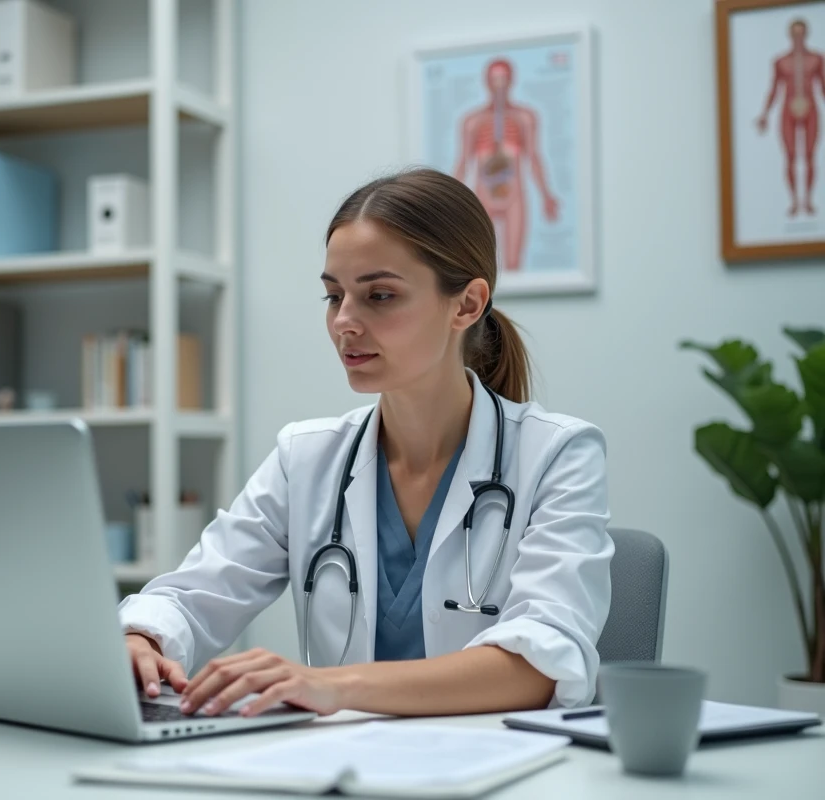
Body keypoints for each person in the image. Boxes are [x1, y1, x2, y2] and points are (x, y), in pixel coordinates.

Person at [118, 168, 612, 719]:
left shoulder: (558, 455)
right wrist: (145, 639)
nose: (345, 323)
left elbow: (542, 662)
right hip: (344, 769)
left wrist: (335, 686)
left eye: (379, 295)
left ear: (467, 305)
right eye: (334, 296)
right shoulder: (306, 458)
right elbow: (193, 595)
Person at [452, 58, 559, 271]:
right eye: (494, 79)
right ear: (487, 82)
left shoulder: (525, 118)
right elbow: (463, 163)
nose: (499, 85)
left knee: (513, 264)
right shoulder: (472, 121)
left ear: (511, 81)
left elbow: (534, 158)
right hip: (483, 198)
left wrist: (546, 195)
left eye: (503, 79)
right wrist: (447, 203)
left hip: (514, 197)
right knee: (480, 266)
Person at [757, 18, 825, 216]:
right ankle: (795, 201)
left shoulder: (816, 59)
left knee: (810, 156)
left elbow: (823, 87)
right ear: (790, 35)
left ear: (806, 34)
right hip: (788, 110)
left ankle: (809, 201)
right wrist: (765, 114)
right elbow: (774, 89)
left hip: (810, 108)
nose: (798, 37)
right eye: (794, 33)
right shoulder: (780, 61)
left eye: (801, 33)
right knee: (790, 157)